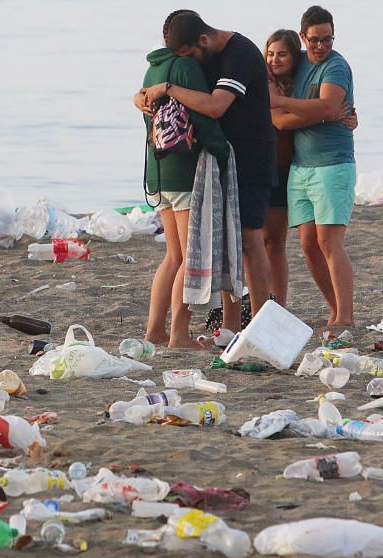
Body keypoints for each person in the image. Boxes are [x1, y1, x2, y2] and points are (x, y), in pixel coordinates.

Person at [137, 11, 276, 333]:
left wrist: (168, 88)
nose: (188, 62)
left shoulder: (240, 54)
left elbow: (215, 107)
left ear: (202, 40)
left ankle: (260, 320)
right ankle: (229, 324)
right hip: (215, 161)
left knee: (250, 240)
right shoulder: (194, 55)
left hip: (250, 156)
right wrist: (141, 96)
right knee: (224, 242)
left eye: (190, 55)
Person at [141, 25, 231, 349]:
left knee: (173, 255)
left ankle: (154, 331)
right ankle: (178, 334)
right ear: (191, 44)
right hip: (184, 171)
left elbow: (148, 117)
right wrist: (223, 151)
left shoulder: (152, 68)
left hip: (158, 170)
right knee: (189, 256)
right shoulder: (186, 67)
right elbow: (204, 117)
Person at [268, 6, 356, 331]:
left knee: (330, 242)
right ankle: (334, 310)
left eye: (327, 39)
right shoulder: (299, 62)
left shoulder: (336, 66)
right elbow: (278, 120)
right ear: (303, 38)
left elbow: (331, 105)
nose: (322, 46)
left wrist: (285, 104)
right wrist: (318, 112)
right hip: (300, 167)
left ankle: (345, 315)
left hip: (333, 166)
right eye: (315, 40)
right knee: (307, 244)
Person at [262, 29, 301, 307]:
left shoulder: (301, 82)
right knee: (256, 241)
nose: (274, 60)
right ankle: (260, 300)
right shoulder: (262, 81)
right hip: (262, 166)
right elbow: (278, 120)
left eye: (282, 54)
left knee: (275, 241)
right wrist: (324, 112)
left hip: (288, 167)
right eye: (271, 53)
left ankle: (279, 303)